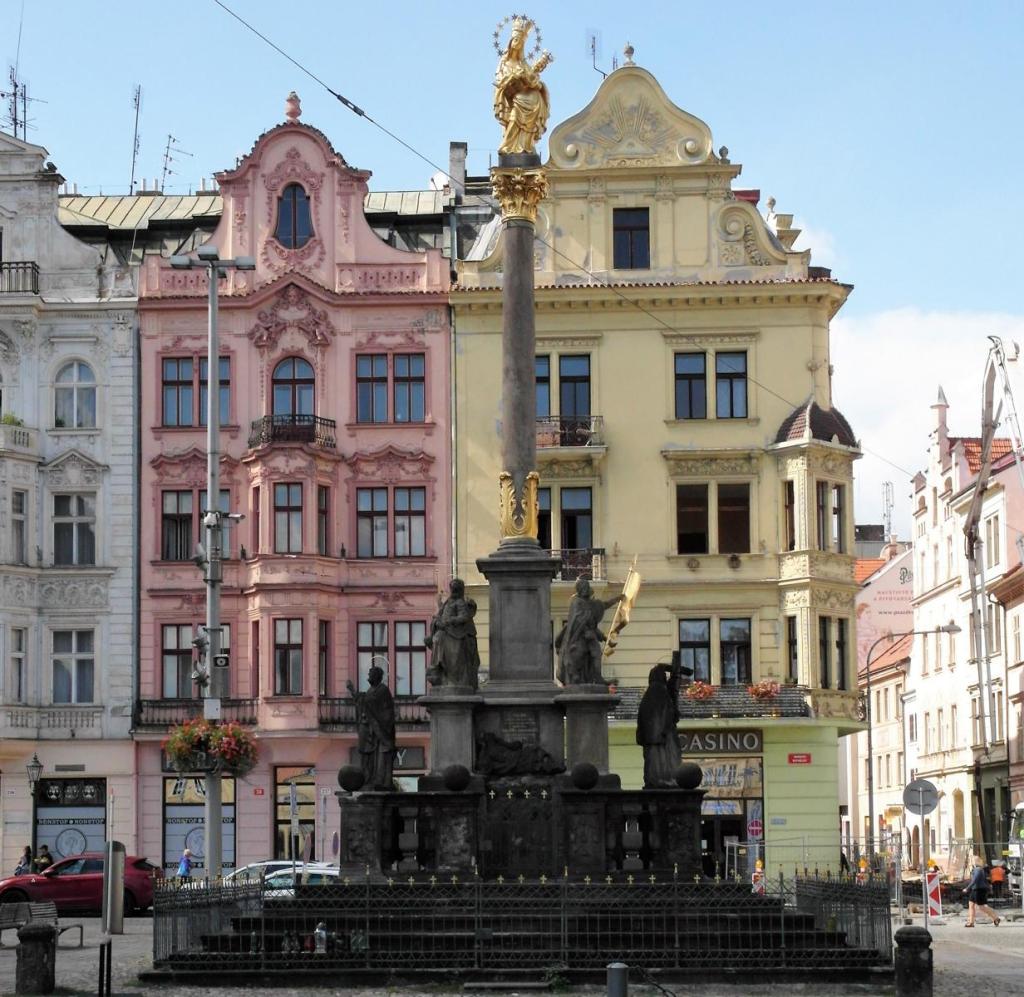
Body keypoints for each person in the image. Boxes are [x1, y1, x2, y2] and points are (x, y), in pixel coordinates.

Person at [492, 17, 553, 156]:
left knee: (536, 98)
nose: (517, 43)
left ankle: (526, 145)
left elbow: (533, 79)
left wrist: (535, 83)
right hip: (514, 98)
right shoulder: (504, 62)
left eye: (520, 41)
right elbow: (500, 81)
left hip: (530, 97)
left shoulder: (524, 63)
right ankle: (508, 145)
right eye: (515, 40)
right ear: (510, 42)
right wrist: (512, 78)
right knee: (517, 109)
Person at [555, 578, 622, 686]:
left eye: (587, 587)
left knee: (596, 654)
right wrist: (586, 627)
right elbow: (577, 620)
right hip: (578, 637)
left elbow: (603, 606)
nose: (586, 589)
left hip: (590, 636)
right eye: (584, 587)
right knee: (578, 654)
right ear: (580, 589)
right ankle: (575, 677)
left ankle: (598, 677)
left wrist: (618, 599)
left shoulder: (591, 603)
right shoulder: (576, 602)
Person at [425, 579, 480, 690]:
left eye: (455, 589)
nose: (453, 591)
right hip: (447, 630)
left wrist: (450, 620)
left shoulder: (460, 602)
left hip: (456, 632)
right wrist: (437, 620)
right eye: (452, 589)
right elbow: (440, 614)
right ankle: (436, 666)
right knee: (436, 638)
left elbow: (463, 617)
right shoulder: (448, 602)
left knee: (438, 638)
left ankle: (437, 666)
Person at [347, 665, 396, 789]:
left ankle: (379, 781)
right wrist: (352, 691)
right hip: (369, 730)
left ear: (376, 676)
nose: (368, 676)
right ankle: (369, 780)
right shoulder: (371, 690)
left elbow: (386, 711)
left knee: (380, 758)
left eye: (370, 674)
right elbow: (363, 703)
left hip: (378, 730)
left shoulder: (382, 690)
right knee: (367, 757)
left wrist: (381, 726)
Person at [636, 663, 681, 788]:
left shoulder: (649, 694)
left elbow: (641, 719)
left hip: (652, 739)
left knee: (653, 763)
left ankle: (655, 780)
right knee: (665, 762)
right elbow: (671, 714)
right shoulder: (661, 692)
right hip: (663, 737)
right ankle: (665, 780)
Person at [964, 856, 1000, 926]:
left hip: (979, 890)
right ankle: (971, 922)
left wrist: (967, 888)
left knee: (982, 907)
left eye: (972, 861)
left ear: (975, 862)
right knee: (971, 905)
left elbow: (975, 880)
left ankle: (996, 918)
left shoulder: (978, 869)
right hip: (975, 889)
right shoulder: (977, 869)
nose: (971, 862)